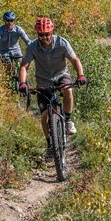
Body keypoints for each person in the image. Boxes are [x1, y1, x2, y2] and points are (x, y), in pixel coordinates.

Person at [18, 17, 86, 158]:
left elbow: (75, 60)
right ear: (37, 34)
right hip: (43, 81)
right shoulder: (32, 47)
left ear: (52, 31)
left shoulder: (62, 43)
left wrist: (80, 75)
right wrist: (23, 83)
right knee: (44, 116)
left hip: (61, 75)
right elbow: (24, 66)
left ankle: (67, 119)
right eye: (41, 35)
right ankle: (49, 143)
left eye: (47, 34)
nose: (44, 37)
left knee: (68, 90)